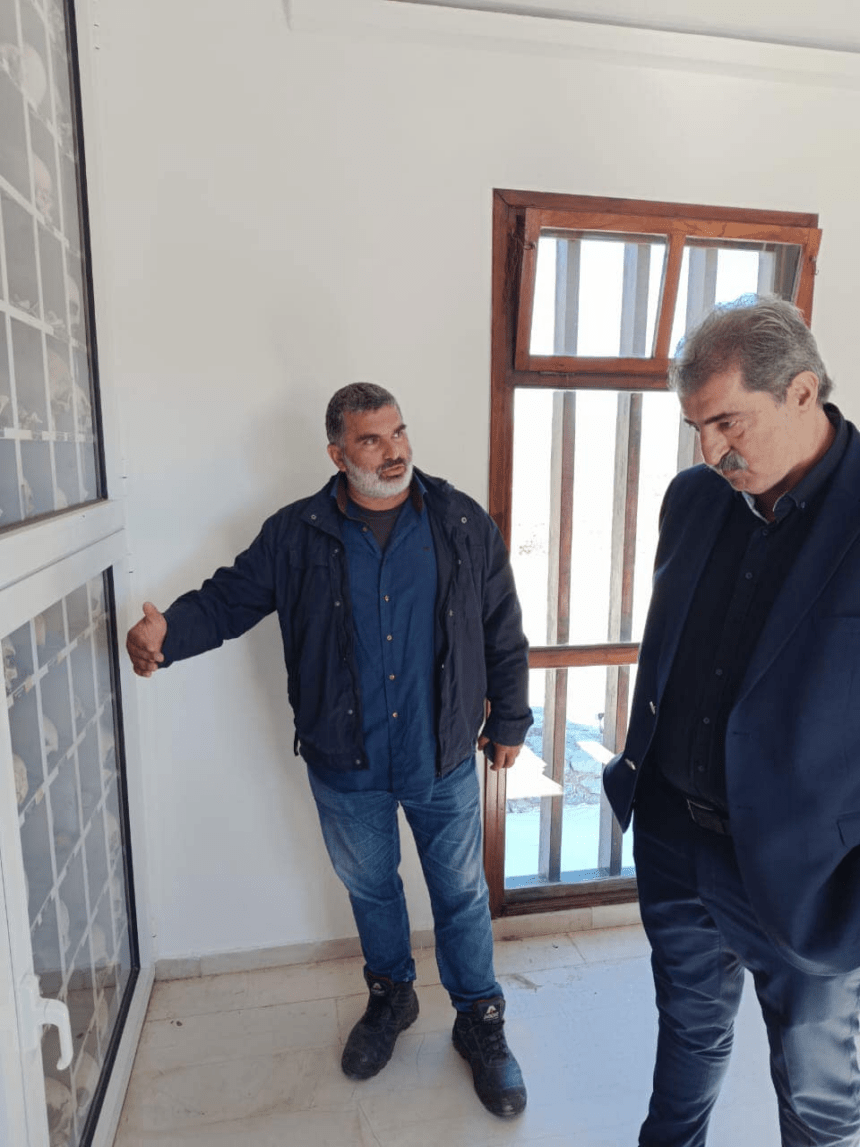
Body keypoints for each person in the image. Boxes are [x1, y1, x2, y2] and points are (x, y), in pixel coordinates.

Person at [126, 382, 532, 1118]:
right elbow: (228, 599)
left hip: (441, 754)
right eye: (371, 439)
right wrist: (168, 635)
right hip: (346, 761)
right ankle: (392, 995)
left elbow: (501, 622)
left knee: (461, 892)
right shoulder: (296, 534)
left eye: (398, 431)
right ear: (338, 454)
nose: (394, 449)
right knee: (371, 888)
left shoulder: (459, 520)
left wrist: (510, 717)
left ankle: (479, 1017)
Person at [603, 296, 860, 1147]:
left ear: (802, 391)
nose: (710, 452)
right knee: (687, 1035)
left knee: (819, 1098)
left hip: (813, 875)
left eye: (726, 422)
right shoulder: (693, 500)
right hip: (676, 841)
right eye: (696, 428)